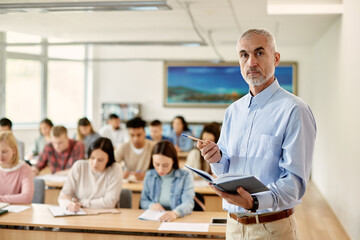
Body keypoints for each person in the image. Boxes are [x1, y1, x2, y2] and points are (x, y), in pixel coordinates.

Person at [197, 29, 316, 240]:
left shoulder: (294, 110)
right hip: (233, 226)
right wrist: (216, 159)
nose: (251, 62)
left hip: (272, 228)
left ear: (276, 58)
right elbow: (226, 169)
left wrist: (255, 202)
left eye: (259, 53)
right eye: (244, 55)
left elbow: (295, 182)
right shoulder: (233, 111)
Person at [58, 137, 122, 211]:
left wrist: (81, 202)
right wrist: (69, 204)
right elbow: (63, 196)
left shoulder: (115, 169)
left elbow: (109, 202)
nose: (95, 164)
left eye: (100, 160)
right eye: (92, 158)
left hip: (106, 216)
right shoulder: (79, 166)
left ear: (109, 159)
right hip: (79, 214)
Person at [140, 140, 194, 221]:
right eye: (157, 164)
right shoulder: (149, 175)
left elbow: (188, 203)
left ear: (173, 161)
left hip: (177, 220)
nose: (160, 169)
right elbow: (143, 201)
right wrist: (151, 205)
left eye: (165, 165)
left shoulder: (185, 176)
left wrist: (175, 213)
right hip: (154, 220)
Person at [0, 131, 34, 204]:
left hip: (18, 214)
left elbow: (26, 197)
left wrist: (1, 199)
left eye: (4, 152)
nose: (0, 156)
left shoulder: (25, 169)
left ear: (14, 150)